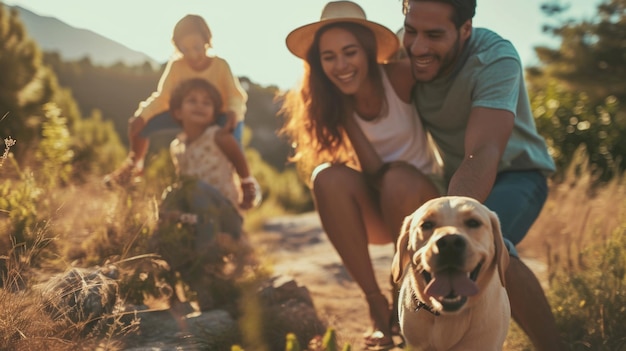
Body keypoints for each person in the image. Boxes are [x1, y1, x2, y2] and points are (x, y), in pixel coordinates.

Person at [400, 0, 565, 350]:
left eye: (433, 35)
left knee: (495, 246)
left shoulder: (495, 58)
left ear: (465, 30)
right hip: (451, 180)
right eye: (410, 30)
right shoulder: (401, 54)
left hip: (517, 174)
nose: (417, 46)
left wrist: (455, 225)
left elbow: (484, 151)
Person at [280, 1, 442, 349]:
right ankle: (375, 303)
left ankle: (406, 298)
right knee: (327, 176)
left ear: (368, 52)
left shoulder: (400, 76)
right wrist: (347, 116)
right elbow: (374, 172)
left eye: (349, 52)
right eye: (329, 57)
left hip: (429, 207)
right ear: (318, 64)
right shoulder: (338, 104)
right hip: (386, 204)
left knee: (398, 178)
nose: (340, 66)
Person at [151, 77, 258, 312]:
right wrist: (172, 212)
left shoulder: (219, 136)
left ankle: (210, 268)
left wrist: (249, 189)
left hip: (226, 215)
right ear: (178, 111)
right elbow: (183, 187)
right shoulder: (176, 147)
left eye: (207, 102)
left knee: (196, 186)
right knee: (170, 198)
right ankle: (187, 287)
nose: (200, 105)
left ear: (214, 112)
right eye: (192, 101)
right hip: (199, 220)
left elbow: (242, 166)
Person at [104, 14, 247, 186]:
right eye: (185, 50)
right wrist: (142, 116)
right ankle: (134, 166)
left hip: (221, 115)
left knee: (231, 144)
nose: (192, 55)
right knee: (139, 125)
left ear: (206, 41)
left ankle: (246, 183)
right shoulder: (177, 67)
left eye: (196, 47)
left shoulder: (220, 65)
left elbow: (235, 96)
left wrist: (233, 113)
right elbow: (163, 97)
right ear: (178, 49)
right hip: (187, 114)